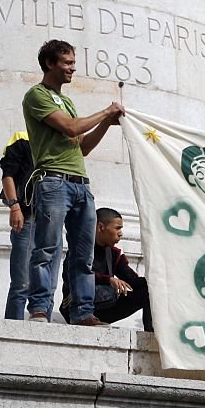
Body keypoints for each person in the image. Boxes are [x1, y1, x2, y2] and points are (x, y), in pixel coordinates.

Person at [22, 39, 125, 326]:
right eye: (67, 63)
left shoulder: (66, 101)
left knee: (84, 254)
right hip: (54, 181)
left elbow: (84, 146)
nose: (72, 68)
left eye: (72, 62)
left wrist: (107, 123)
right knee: (48, 248)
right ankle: (40, 309)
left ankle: (83, 312)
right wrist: (105, 112)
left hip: (81, 184)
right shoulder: (36, 96)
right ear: (49, 64)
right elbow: (70, 127)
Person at [0, 131, 60, 320]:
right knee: (22, 282)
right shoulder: (23, 137)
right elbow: (8, 173)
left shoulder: (60, 139)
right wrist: (14, 206)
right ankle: (12, 329)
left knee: (50, 285)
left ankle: (43, 332)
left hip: (52, 221)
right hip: (28, 216)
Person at [60, 208, 154, 331]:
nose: (120, 233)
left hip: (104, 308)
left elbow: (132, 280)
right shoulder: (80, 249)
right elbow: (75, 277)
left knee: (146, 289)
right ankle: (84, 317)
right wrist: (108, 280)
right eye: (117, 228)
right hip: (75, 309)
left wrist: (155, 281)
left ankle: (151, 332)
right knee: (99, 287)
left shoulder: (114, 253)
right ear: (101, 227)